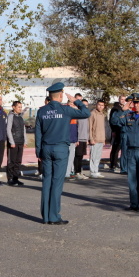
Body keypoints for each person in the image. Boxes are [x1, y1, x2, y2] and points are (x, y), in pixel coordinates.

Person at [35, 82, 90, 225]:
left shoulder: (41, 111)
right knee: (57, 182)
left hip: (46, 149)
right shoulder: (65, 110)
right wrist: (76, 101)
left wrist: (38, 151)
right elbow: (86, 113)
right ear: (60, 95)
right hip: (60, 149)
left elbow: (38, 133)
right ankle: (54, 216)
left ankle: (46, 216)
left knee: (47, 181)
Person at [6, 101, 26, 186]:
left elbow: (23, 130)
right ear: (13, 107)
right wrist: (11, 141)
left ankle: (16, 178)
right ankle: (10, 179)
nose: (20, 109)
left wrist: (25, 141)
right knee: (12, 161)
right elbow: (8, 129)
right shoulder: (11, 116)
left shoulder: (21, 117)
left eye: (21, 107)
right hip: (13, 142)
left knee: (18, 161)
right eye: (18, 107)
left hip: (20, 141)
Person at [88, 100, 107, 178]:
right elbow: (90, 127)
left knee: (98, 156)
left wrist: (104, 139)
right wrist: (91, 138)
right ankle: (92, 171)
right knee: (93, 155)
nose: (100, 106)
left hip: (101, 138)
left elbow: (102, 128)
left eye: (102, 105)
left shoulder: (102, 115)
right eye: (99, 105)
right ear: (96, 105)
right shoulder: (92, 114)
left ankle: (96, 170)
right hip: (94, 139)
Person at [73, 99, 89, 180]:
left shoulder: (86, 116)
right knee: (77, 156)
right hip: (79, 138)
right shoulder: (78, 115)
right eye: (84, 105)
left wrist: (87, 138)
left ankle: (80, 171)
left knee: (81, 156)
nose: (85, 107)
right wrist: (76, 139)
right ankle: (76, 172)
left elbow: (87, 128)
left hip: (84, 138)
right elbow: (75, 128)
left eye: (86, 105)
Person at [109, 96, 124, 172]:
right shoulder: (115, 109)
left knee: (121, 148)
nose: (123, 101)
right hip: (116, 130)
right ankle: (113, 164)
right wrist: (113, 130)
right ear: (119, 100)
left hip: (122, 131)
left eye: (124, 99)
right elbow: (112, 121)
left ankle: (118, 163)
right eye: (122, 99)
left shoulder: (124, 108)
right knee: (115, 148)